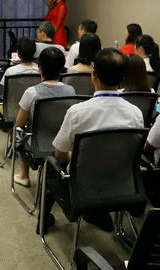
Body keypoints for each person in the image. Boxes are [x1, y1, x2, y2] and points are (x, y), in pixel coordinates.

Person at [41, 48, 145, 233]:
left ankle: (44, 220)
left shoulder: (77, 112)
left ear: (94, 74)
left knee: (51, 162)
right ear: (122, 78)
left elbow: (61, 154)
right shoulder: (135, 112)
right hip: (121, 183)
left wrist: (77, 155)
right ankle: (98, 214)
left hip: (83, 187)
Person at [12, 47, 75, 187]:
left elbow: (19, 123)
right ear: (62, 68)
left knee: (19, 131)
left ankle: (24, 175)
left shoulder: (31, 92)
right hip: (63, 144)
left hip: (37, 145)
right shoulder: (70, 90)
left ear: (39, 67)